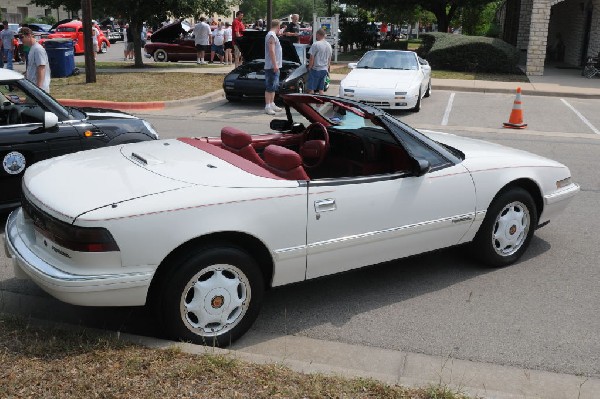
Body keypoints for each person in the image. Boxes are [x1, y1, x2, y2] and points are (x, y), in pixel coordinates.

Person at [21, 27, 50, 93]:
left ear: (29, 35)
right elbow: (32, 68)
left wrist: (38, 89)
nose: (21, 40)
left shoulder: (38, 49)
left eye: (22, 37)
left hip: (39, 89)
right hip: (33, 87)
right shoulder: (32, 49)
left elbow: (41, 68)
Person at [264, 19, 283, 115]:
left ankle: (272, 103)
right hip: (272, 66)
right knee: (270, 86)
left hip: (275, 66)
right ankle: (267, 106)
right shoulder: (271, 35)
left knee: (274, 86)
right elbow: (271, 51)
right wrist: (275, 64)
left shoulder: (273, 35)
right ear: (278, 26)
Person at [307, 29, 332, 95]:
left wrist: (309, 67)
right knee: (321, 90)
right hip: (324, 69)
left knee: (311, 89)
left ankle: (310, 102)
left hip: (315, 69)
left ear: (318, 35)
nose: (316, 37)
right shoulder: (329, 45)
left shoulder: (315, 44)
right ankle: (320, 103)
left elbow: (311, 58)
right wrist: (328, 68)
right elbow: (329, 59)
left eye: (316, 35)